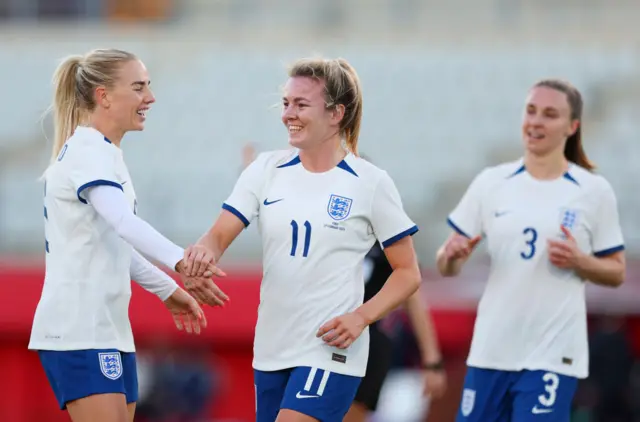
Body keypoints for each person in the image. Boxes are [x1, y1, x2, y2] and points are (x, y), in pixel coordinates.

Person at [182, 57, 422, 422]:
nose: (287, 114)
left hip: (331, 350)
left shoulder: (370, 182)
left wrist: (362, 316)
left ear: (336, 113)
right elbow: (217, 235)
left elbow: (408, 272)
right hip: (272, 347)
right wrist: (202, 255)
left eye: (301, 104)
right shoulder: (265, 169)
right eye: (286, 103)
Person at [28, 48, 228, 422]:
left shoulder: (106, 153)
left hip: (108, 328)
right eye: (138, 87)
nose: (149, 98)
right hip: (78, 327)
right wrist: (181, 260)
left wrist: (167, 288)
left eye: (148, 87)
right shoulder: (89, 150)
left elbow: (114, 242)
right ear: (103, 95)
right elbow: (123, 223)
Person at [436, 79, 626, 422]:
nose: (536, 121)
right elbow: (446, 265)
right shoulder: (491, 182)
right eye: (531, 111)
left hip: (552, 353)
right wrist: (451, 256)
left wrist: (581, 262)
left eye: (550, 114)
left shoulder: (593, 190)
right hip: (491, 350)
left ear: (572, 127)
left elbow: (617, 271)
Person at [343, 173, 447, 422]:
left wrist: (431, 359)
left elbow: (413, 298)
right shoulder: (320, 234)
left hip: (365, 345)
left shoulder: (386, 237)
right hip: (317, 339)